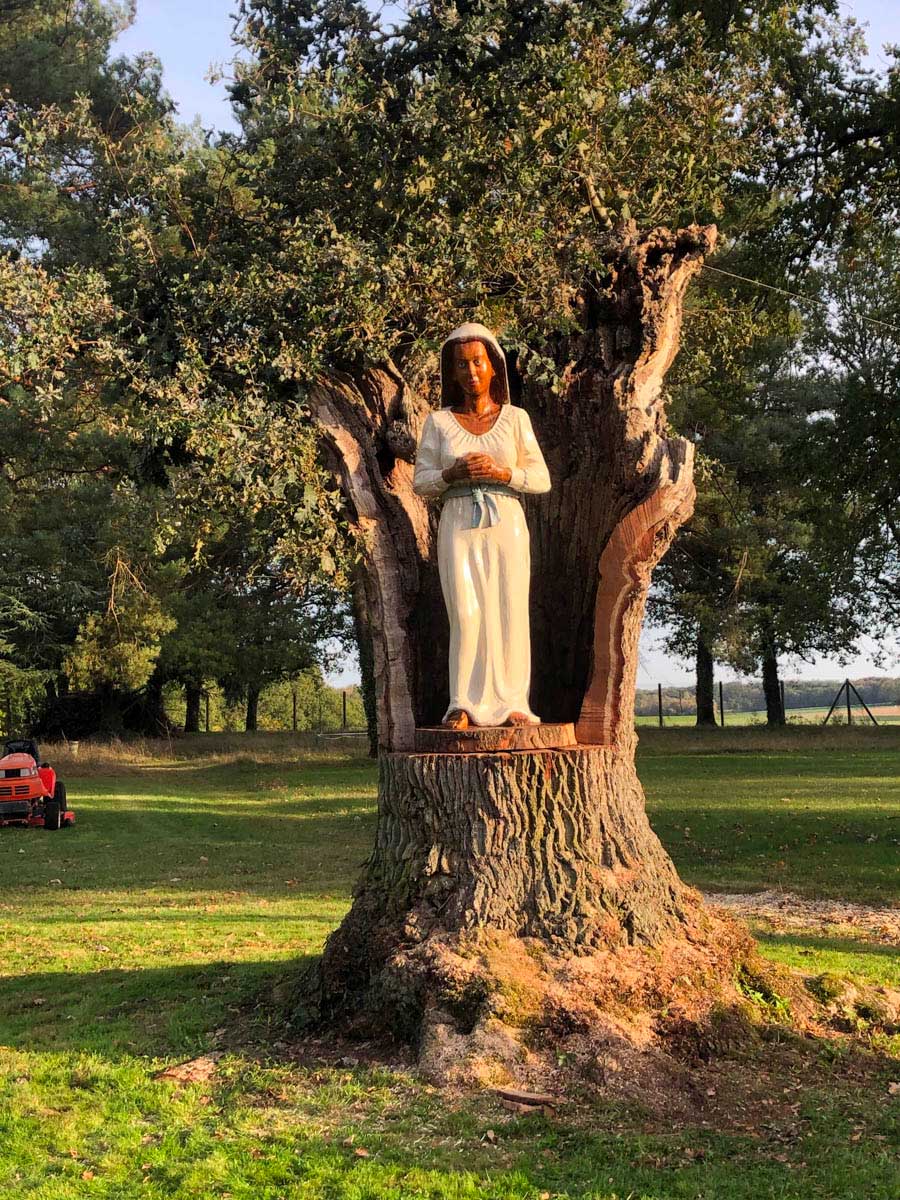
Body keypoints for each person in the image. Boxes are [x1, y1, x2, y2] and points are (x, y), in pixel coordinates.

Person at [413, 322, 551, 729]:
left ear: (494, 366)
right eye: (461, 364)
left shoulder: (515, 419)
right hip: (459, 522)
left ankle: (513, 703)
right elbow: (421, 482)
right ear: (452, 371)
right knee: (466, 611)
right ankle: (463, 703)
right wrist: (451, 474)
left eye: (478, 362)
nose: (471, 372)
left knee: (509, 608)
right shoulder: (439, 423)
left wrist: (502, 473)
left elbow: (541, 479)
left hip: (505, 520)